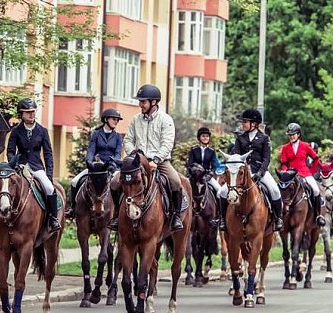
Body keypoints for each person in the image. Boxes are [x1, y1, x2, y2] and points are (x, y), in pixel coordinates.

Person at [0, 98, 60, 232]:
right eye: (28, 112)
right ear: (21, 114)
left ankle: (53, 219)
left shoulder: (43, 131)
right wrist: (14, 164)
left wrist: (49, 174)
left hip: (36, 167)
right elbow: (10, 151)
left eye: (33, 112)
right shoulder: (16, 131)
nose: (31, 115)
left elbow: (48, 154)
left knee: (49, 188)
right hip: (19, 167)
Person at [121, 84, 184, 232]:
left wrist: (155, 160)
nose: (140, 105)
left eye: (143, 102)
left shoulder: (166, 120)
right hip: (138, 161)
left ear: (153, 102)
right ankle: (117, 216)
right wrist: (133, 155)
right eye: (140, 101)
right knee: (116, 181)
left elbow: (167, 143)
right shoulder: (135, 119)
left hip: (160, 162)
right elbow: (128, 140)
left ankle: (175, 217)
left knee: (176, 182)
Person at [218, 109, 283, 232]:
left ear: (254, 124)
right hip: (242, 173)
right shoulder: (240, 138)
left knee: (275, 190)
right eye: (243, 122)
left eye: (245, 122)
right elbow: (235, 155)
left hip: (259, 171)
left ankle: (277, 218)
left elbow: (266, 158)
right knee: (222, 192)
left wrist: (260, 173)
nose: (243, 124)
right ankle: (221, 219)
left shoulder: (264, 138)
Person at [65, 108, 123, 231]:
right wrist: (90, 162)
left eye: (117, 120)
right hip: (96, 167)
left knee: (119, 184)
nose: (116, 121)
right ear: (106, 119)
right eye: (114, 119)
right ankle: (73, 209)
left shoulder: (118, 137)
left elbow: (118, 153)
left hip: (111, 167)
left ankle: (117, 213)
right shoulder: (96, 134)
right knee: (75, 181)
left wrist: (111, 162)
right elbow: (91, 150)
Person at [279, 123, 325, 226]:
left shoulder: (305, 146)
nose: (291, 136)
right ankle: (279, 216)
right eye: (290, 135)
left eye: (293, 134)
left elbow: (316, 159)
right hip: (290, 174)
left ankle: (318, 215)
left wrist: (311, 171)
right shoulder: (285, 147)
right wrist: (285, 171)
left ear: (298, 134)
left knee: (316, 190)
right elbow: (283, 163)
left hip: (305, 173)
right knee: (281, 189)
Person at [187, 127, 221, 227]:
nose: (205, 138)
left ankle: (219, 216)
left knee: (219, 191)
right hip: (194, 177)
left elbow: (214, 166)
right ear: (199, 138)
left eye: (207, 136)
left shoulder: (212, 151)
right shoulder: (194, 150)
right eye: (203, 136)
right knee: (182, 188)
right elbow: (190, 164)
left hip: (206, 177)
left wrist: (209, 176)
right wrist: (194, 172)